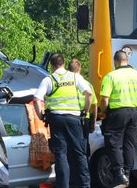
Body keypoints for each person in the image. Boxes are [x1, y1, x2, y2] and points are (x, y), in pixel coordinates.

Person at [34, 53, 93, 188]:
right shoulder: (75, 76)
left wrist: (40, 116)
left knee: (61, 155)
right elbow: (89, 94)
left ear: (51, 66)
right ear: (64, 63)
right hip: (74, 119)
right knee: (79, 153)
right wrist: (85, 110)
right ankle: (85, 185)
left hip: (56, 120)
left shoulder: (49, 79)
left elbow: (37, 99)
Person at [99, 50, 137, 186]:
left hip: (117, 113)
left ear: (115, 62)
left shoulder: (110, 76)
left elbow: (104, 99)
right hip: (133, 113)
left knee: (113, 143)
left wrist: (104, 112)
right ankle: (127, 173)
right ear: (127, 61)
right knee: (129, 143)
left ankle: (119, 173)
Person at [68, 58, 98, 156]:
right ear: (79, 69)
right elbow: (94, 106)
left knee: (70, 146)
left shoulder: (65, 84)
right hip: (84, 118)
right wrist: (93, 124)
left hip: (69, 118)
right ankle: (85, 168)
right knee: (84, 145)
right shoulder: (87, 84)